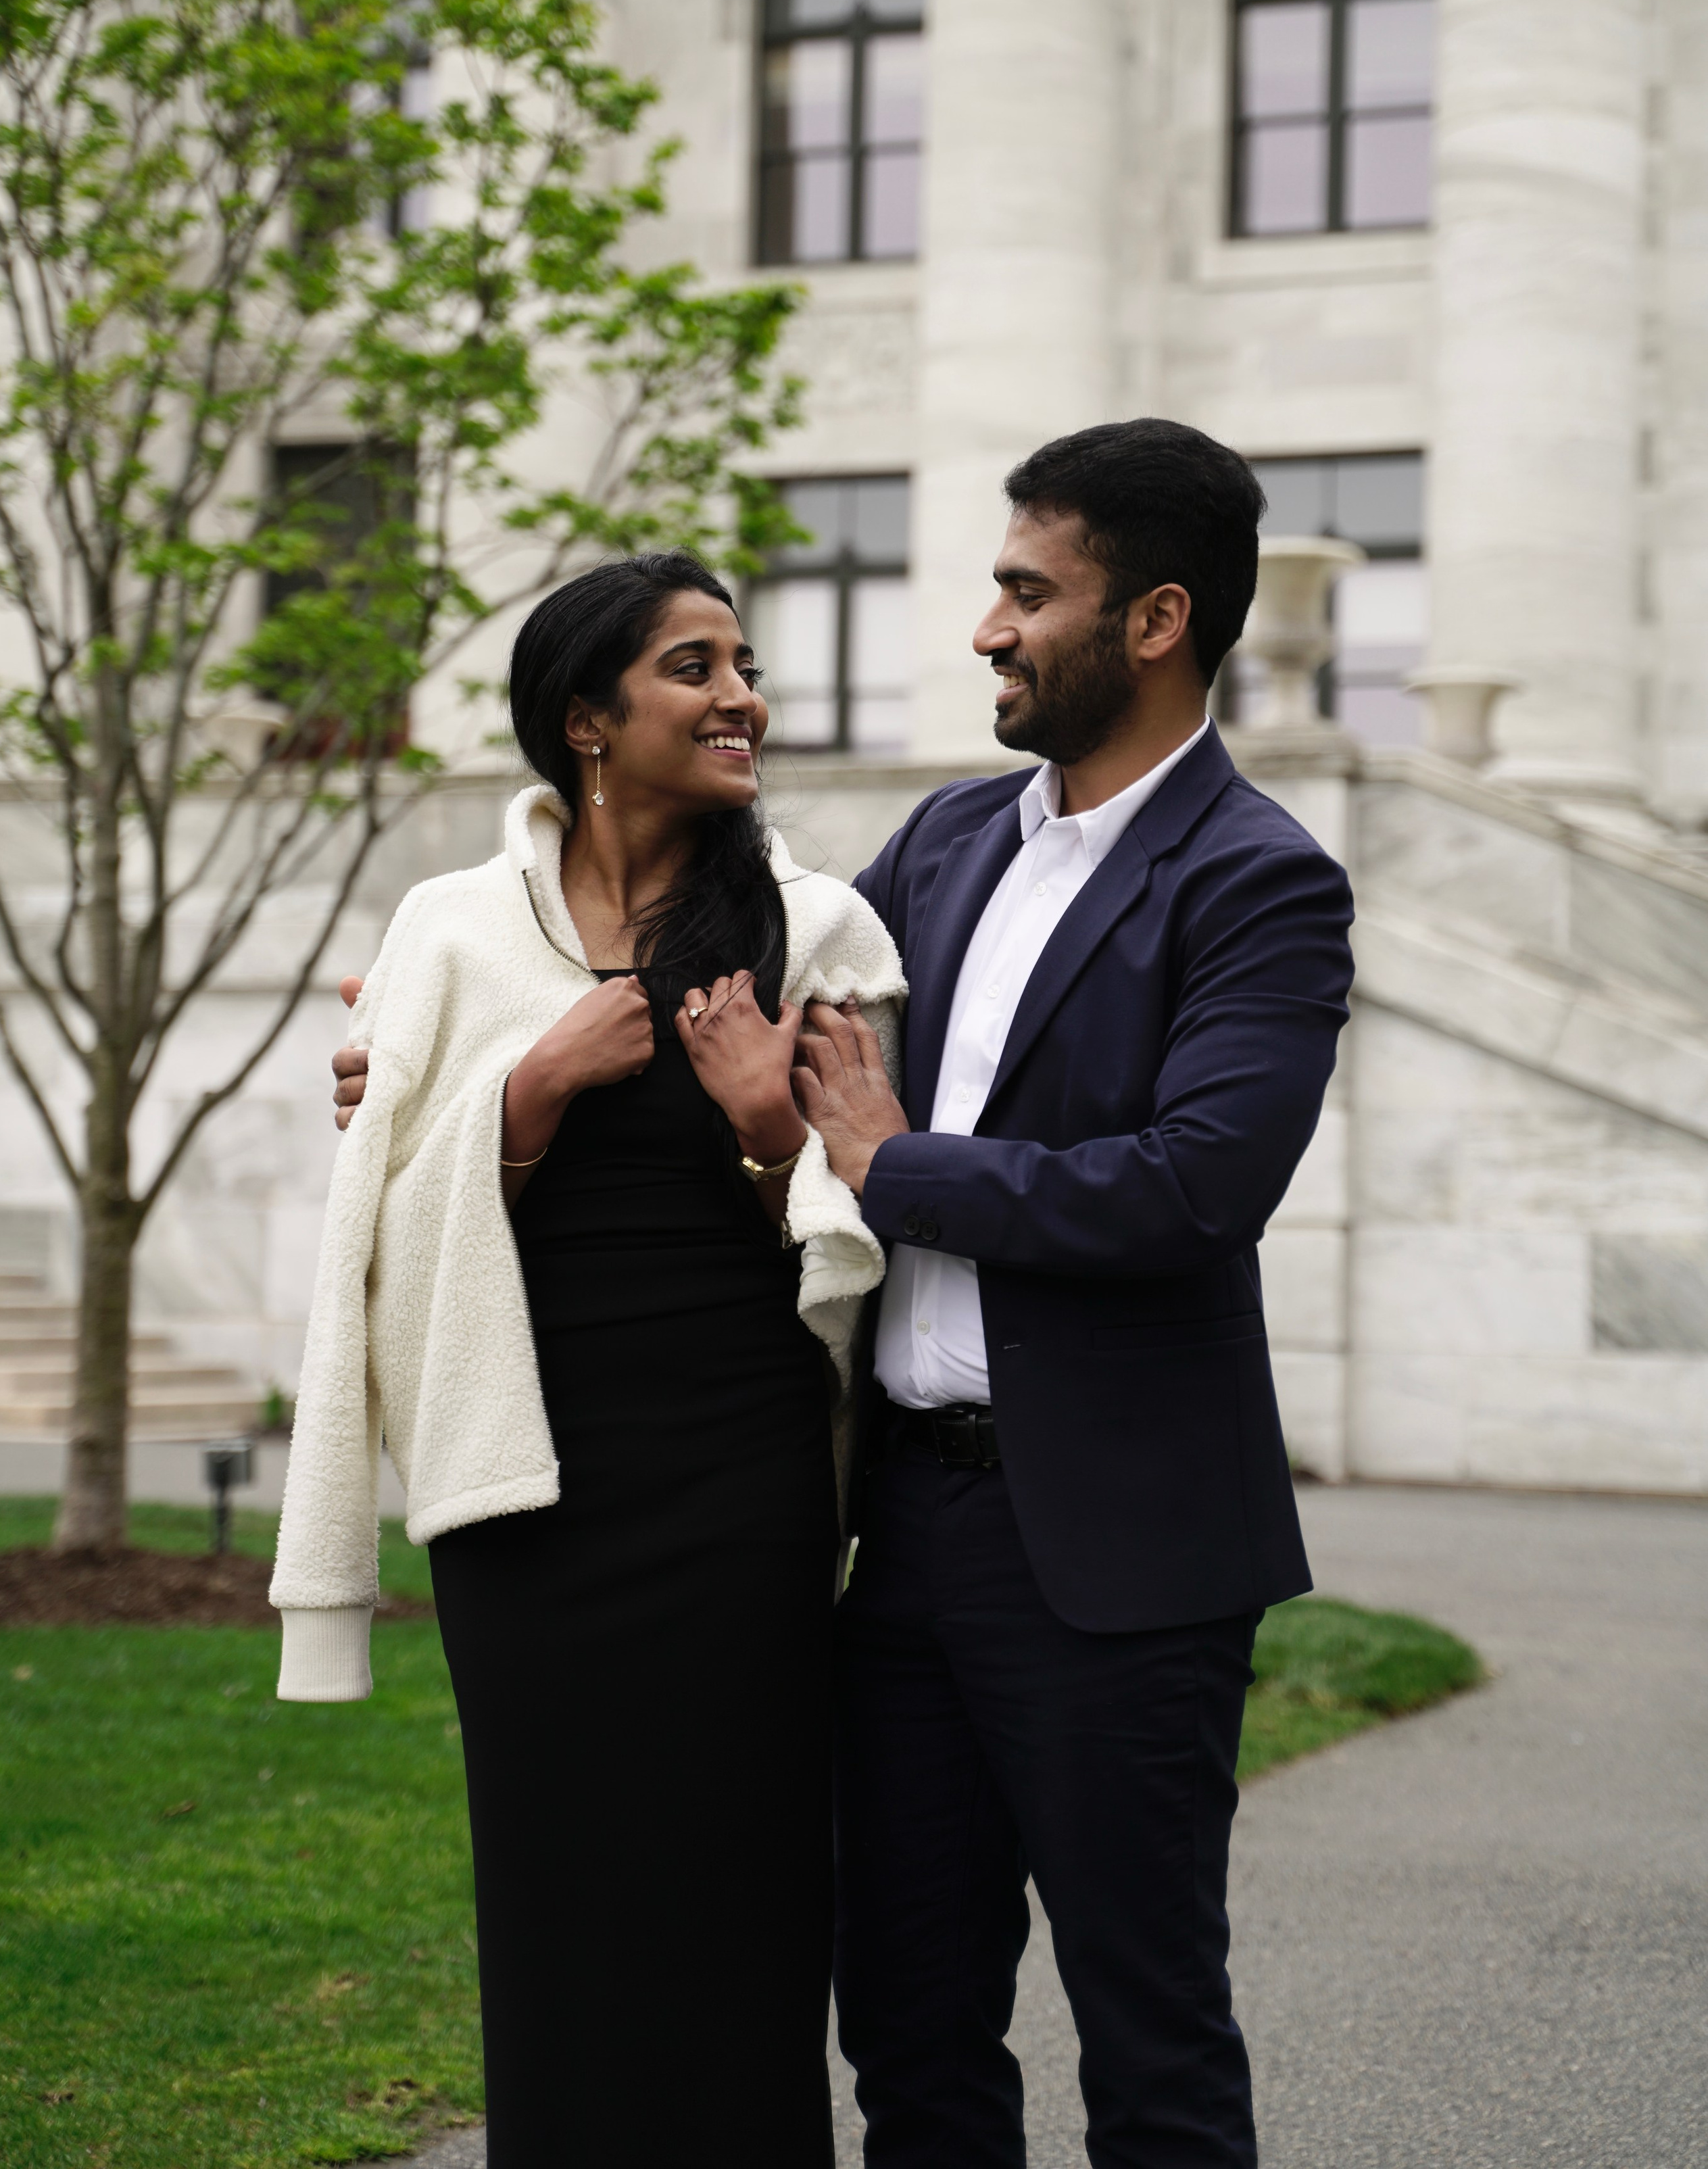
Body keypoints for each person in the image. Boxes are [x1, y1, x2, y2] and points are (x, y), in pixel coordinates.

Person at [270, 552, 905, 2169]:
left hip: (738, 1476)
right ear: (586, 721)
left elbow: (852, 1234)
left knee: (743, 1891)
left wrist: (770, 1128)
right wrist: (526, 1091)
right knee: (555, 1895)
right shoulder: (449, 928)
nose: (741, 692)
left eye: (743, 661)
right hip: (525, 1486)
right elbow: (384, 1216)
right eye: (694, 666)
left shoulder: (816, 925)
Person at [789, 420, 1355, 2166]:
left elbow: (1197, 1183)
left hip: (1121, 1566)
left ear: (1159, 617)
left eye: (1029, 591)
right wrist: (468, 1060)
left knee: (1152, 2031)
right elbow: (757, 1021)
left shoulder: (1263, 877)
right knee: (908, 2019)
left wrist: (897, 1162)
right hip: (908, 1536)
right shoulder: (946, 840)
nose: (987, 627)